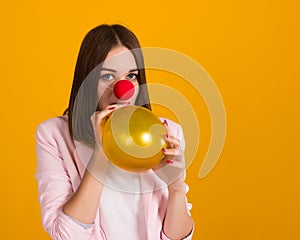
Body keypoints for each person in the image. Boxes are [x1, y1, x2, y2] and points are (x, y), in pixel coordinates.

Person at [36, 24, 194, 240]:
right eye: (108, 77)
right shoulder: (54, 135)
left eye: (131, 76)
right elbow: (67, 236)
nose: (123, 89)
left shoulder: (167, 133)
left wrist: (175, 187)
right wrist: (101, 154)